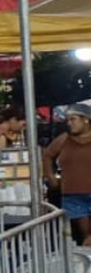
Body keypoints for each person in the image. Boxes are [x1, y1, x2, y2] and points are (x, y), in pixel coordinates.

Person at [43, 104, 91, 244]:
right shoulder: (64, 139)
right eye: (67, 121)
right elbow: (47, 155)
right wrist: (50, 177)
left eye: (73, 119)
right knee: (85, 235)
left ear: (86, 120)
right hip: (73, 194)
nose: (69, 124)